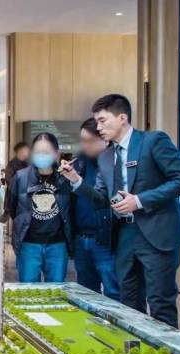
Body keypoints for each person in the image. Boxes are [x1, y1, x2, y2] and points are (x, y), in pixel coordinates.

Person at [61, 94, 180, 327]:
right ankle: (135, 348)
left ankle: (164, 350)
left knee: (160, 301)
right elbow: (101, 198)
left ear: (122, 118)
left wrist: (139, 200)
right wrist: (76, 181)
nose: (98, 127)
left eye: (103, 120)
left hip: (156, 234)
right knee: (129, 301)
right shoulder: (106, 156)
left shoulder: (153, 141)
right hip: (124, 235)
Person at [8, 133, 72, 282]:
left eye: (46, 152)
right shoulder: (20, 177)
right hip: (29, 243)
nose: (41, 155)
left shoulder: (65, 178)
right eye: (37, 151)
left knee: (55, 290)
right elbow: (12, 207)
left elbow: (70, 209)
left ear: (56, 154)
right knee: (28, 290)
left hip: (57, 244)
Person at [71, 118, 119, 300]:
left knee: (113, 291)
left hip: (105, 238)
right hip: (81, 237)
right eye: (82, 141)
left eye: (89, 141)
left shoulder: (115, 163)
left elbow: (104, 199)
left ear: (104, 139)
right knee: (86, 292)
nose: (84, 146)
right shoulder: (79, 162)